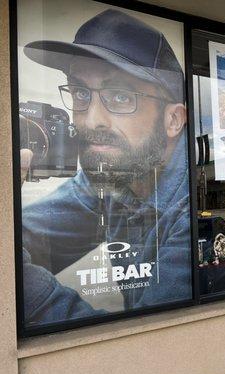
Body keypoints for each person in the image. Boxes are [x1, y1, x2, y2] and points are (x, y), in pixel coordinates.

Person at [20, 9, 191, 325]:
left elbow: (152, 338)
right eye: (81, 93)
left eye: (121, 97)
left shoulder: (191, 211)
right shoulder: (108, 178)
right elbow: (23, 235)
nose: (92, 120)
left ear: (173, 120)